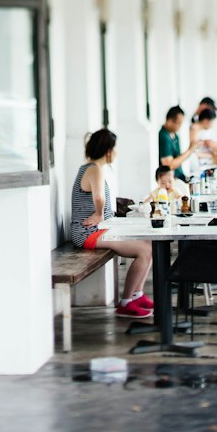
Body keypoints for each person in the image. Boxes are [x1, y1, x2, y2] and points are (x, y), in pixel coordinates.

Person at [69, 129, 154, 318]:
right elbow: (99, 197)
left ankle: (137, 295)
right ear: (108, 151)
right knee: (144, 251)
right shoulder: (94, 169)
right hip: (87, 233)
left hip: (95, 230)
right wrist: (99, 214)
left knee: (148, 244)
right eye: (115, 149)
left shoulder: (90, 168)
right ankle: (125, 302)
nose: (116, 153)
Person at [158, 105, 197, 181]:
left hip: (179, 175)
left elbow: (178, 158)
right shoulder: (164, 137)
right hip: (170, 179)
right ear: (169, 121)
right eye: (178, 123)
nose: (180, 127)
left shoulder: (175, 136)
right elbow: (168, 165)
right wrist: (190, 150)